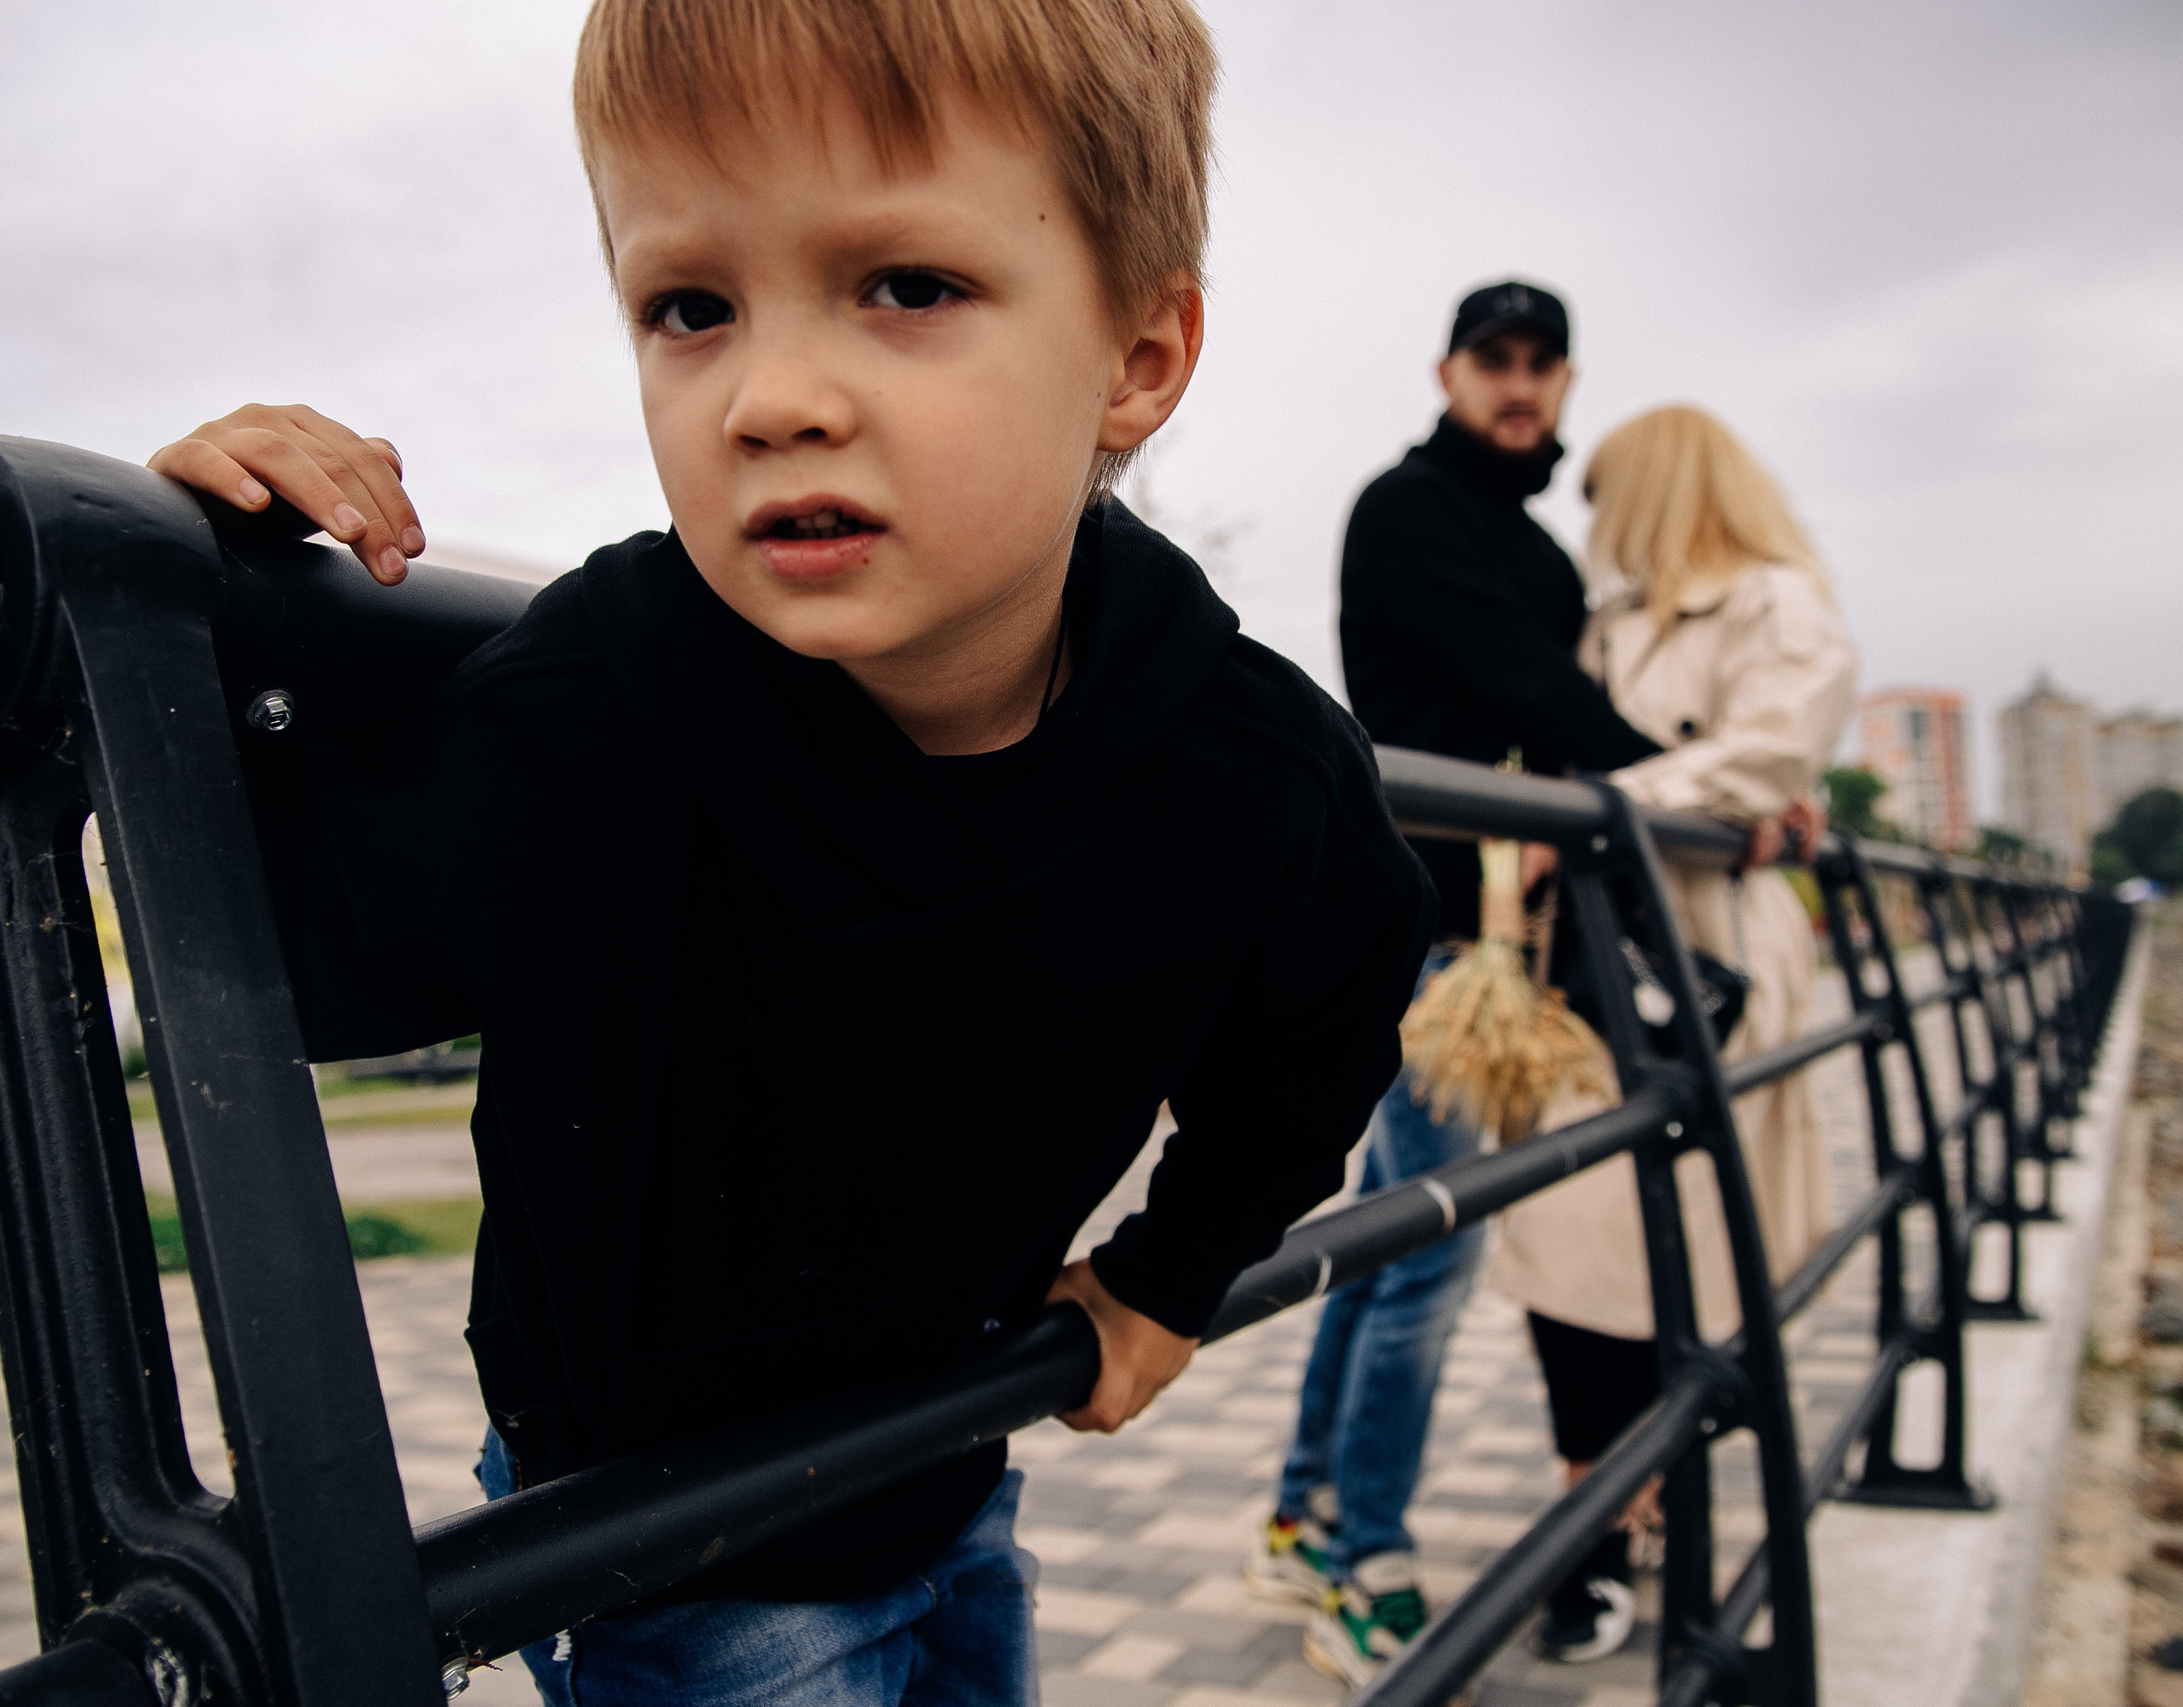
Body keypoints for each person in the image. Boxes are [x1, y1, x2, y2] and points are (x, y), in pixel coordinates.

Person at [148, 3, 1435, 1703]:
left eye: (905, 286)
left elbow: (1332, 1003)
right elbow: (306, 961)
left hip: (948, 1457)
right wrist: (214, 621)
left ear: (1136, 356)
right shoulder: (591, 707)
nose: (772, 397)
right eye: (692, 307)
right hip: (661, 1530)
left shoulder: (1252, 770)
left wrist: (1166, 1277)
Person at [1251, 281, 1663, 1689]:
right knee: (1427, 1248)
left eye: (1543, 362)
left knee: (1390, 1240)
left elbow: (1536, 698)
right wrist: (1668, 773)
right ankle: (1366, 1552)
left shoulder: (1540, 551)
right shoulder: (1408, 508)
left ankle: (1311, 1512)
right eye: (1496, 357)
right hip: (1427, 927)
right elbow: (1526, 691)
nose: (1520, 382)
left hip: (1481, 926)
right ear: (1449, 368)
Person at [1485, 403, 1856, 1664]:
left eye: (1607, 494)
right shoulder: (1610, 624)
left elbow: (1763, 757)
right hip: (1594, 949)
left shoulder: (1774, 604)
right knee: (1567, 1235)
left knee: (1679, 1248)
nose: (1596, 522)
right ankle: (1604, 1498)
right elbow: (1716, 768)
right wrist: (1631, 802)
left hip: (1713, 961)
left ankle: (1632, 1511)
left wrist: (1597, 807)